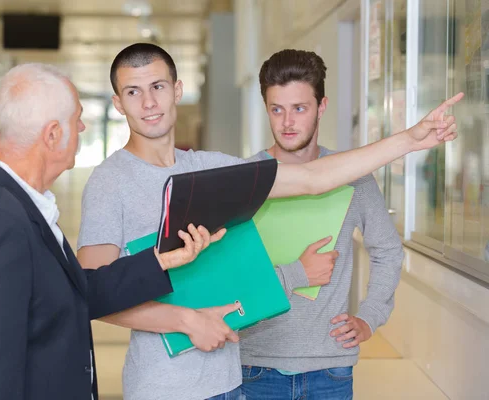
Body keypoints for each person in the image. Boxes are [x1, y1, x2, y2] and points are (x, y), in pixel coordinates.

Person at [76, 43, 461, 400]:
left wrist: (409, 139)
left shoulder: (212, 168)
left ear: (177, 90)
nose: (148, 103)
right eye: (133, 92)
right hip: (163, 386)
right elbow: (92, 291)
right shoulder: (111, 182)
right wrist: (185, 320)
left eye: (157, 86)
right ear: (117, 102)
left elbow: (313, 178)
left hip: (229, 381)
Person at [0, 63, 227, 400]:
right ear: (53, 134)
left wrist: (160, 260)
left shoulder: (18, 204)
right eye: (77, 119)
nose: (84, 127)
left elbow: (76, 291)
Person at [238, 48, 404, 399]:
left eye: (299, 108)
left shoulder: (353, 176)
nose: (287, 123)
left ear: (321, 107)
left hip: (330, 369)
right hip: (255, 366)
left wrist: (370, 316)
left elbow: (387, 250)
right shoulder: (247, 179)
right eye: (276, 109)